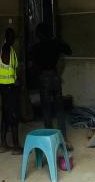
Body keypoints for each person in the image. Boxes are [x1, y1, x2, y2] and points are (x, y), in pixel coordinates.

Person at [31, 22, 73, 150]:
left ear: (39, 34)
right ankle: (64, 138)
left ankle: (49, 138)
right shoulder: (55, 44)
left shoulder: (36, 47)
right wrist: (58, 40)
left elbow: (33, 64)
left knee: (46, 110)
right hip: (55, 77)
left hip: (44, 77)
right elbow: (69, 51)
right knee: (59, 109)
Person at [0, 26, 22, 154]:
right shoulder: (6, 48)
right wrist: (15, 81)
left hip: (4, 85)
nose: (13, 39)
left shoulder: (10, 49)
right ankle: (16, 147)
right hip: (9, 86)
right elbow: (7, 63)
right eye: (11, 37)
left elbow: (13, 66)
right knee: (13, 115)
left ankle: (3, 144)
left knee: (6, 114)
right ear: (7, 38)